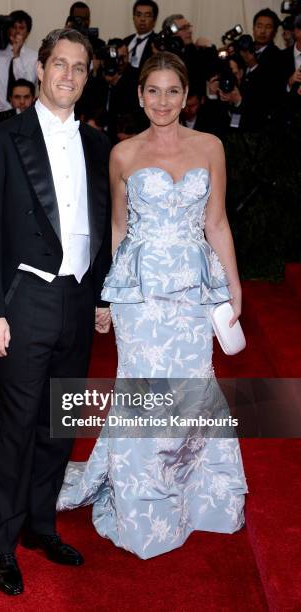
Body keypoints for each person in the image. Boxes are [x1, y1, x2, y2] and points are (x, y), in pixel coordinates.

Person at [57, 52, 248, 559]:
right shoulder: (123, 153)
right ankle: (142, 500)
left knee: (193, 389)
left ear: (187, 97)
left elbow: (218, 223)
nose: (163, 101)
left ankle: (193, 491)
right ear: (140, 96)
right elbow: (119, 229)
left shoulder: (210, 146)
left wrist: (233, 285)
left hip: (191, 290)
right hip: (140, 296)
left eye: (173, 92)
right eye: (153, 91)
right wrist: (107, 294)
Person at [0, 28, 111, 595]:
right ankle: (1, 544)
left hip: (78, 301)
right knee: (17, 429)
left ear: (87, 75)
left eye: (79, 67)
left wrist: (100, 295)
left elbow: (105, 227)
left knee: (60, 424)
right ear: (41, 67)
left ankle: (40, 525)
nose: (69, 75)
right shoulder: (3, 139)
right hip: (25, 301)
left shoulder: (100, 146)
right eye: (60, 64)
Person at [0, 10, 37, 116]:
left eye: (21, 28)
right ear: (7, 29)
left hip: (20, 113)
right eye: (13, 27)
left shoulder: (33, 57)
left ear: (28, 33)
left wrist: (17, 56)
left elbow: (25, 86)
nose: (17, 31)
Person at [124, 0, 158, 70]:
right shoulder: (126, 41)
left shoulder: (157, 42)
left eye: (147, 15)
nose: (142, 19)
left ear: (154, 20)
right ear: (133, 18)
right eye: (138, 15)